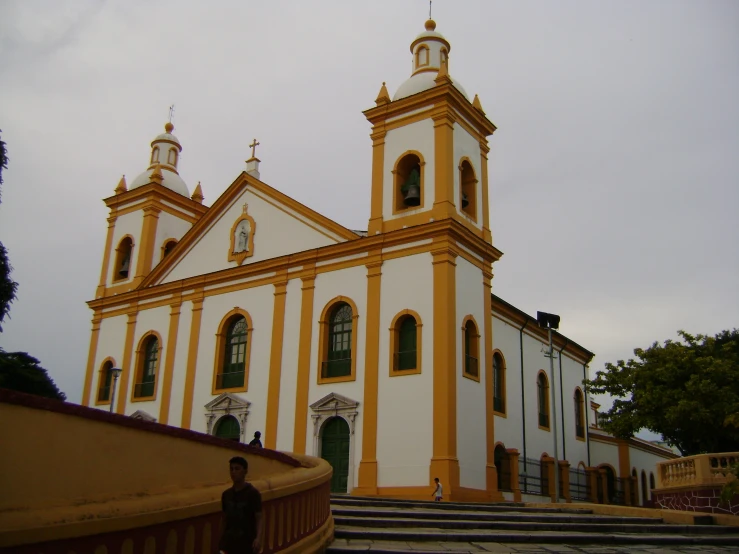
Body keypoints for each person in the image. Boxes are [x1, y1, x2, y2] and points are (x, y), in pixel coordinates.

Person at [219, 456, 264, 554]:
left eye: (237, 468)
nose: (233, 472)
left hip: (247, 543)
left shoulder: (253, 493)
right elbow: (224, 518)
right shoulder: (226, 495)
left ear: (245, 471)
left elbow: (259, 518)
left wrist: (258, 538)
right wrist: (221, 539)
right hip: (229, 543)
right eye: (231, 469)